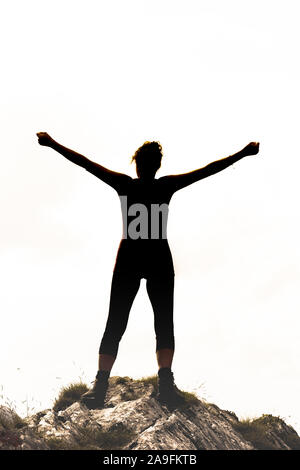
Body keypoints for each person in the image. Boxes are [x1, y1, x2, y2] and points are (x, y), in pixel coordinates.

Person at [36, 132, 260, 408]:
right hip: (159, 261)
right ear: (158, 166)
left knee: (115, 322)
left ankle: (100, 387)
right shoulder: (166, 185)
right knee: (164, 323)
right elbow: (208, 170)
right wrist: (243, 152)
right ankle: (166, 385)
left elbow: (85, 163)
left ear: (136, 164)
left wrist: (52, 143)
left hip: (128, 260)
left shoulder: (123, 184)